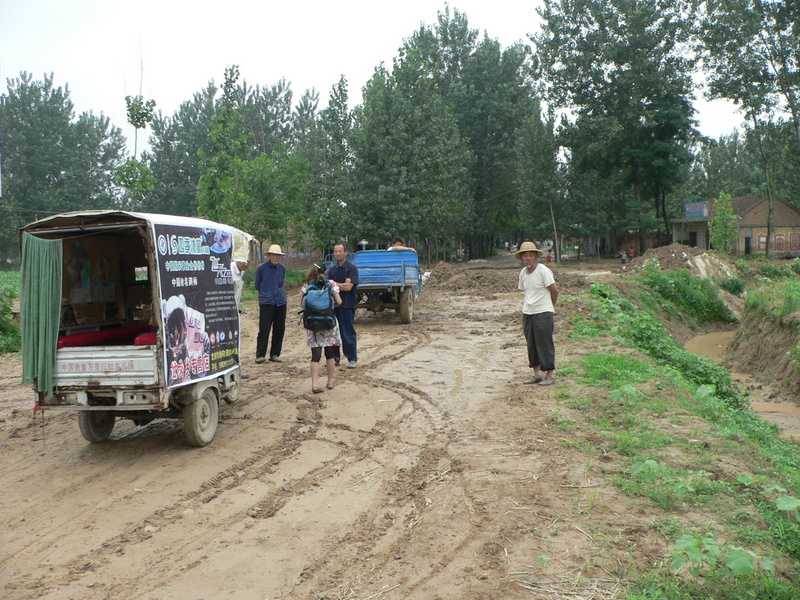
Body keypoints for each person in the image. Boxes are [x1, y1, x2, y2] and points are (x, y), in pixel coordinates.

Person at [516, 241, 559, 386]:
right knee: (532, 343)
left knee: (544, 343)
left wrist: (550, 307)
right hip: (528, 312)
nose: (527, 258)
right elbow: (527, 291)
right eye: (525, 256)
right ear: (521, 258)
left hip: (543, 312)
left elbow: (554, 290)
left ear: (535, 257)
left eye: (530, 255)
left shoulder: (543, 271)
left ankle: (550, 375)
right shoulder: (523, 273)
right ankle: (536, 374)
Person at [300, 264, 343, 393]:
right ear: (325, 272)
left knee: (315, 356)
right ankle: (329, 382)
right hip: (328, 323)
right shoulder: (331, 284)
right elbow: (339, 301)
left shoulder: (307, 286)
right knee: (330, 354)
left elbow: (302, 305)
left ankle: (314, 384)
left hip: (313, 324)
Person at [327, 243, 359, 368]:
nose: (338, 254)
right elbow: (327, 286)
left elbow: (348, 287)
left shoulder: (352, 269)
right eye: (335, 251)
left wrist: (334, 284)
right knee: (333, 333)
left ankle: (352, 359)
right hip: (333, 306)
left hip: (347, 305)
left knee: (347, 332)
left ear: (346, 252)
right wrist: (341, 284)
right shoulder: (332, 270)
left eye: (340, 251)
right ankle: (335, 358)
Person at [254, 244, 287, 364]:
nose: (275, 257)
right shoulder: (261, 268)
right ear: (269, 256)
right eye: (273, 255)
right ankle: (260, 355)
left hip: (280, 301)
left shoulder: (282, 268)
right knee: (264, 328)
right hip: (266, 301)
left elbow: (281, 283)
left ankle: (275, 354)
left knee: (279, 329)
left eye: (278, 255)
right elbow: (257, 285)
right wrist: (266, 293)